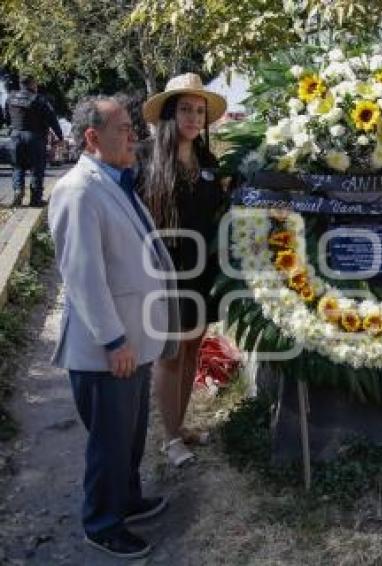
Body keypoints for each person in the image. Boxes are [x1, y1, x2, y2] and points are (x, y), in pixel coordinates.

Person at [47, 95, 179, 558]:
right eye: (124, 128)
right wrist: (113, 338)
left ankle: (126, 499)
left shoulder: (115, 182)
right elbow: (83, 275)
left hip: (132, 340)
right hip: (109, 348)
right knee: (110, 440)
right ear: (92, 137)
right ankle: (102, 523)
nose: (134, 137)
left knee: (132, 431)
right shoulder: (78, 190)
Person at [140, 73, 228, 467]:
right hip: (166, 270)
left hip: (202, 269)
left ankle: (181, 426)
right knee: (170, 354)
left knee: (193, 347)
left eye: (199, 111)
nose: (193, 118)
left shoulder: (208, 161)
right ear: (169, 114)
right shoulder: (147, 160)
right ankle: (169, 437)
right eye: (185, 110)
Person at [5, 75, 63, 207]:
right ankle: (35, 199)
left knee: (17, 166)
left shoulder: (10, 98)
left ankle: (18, 191)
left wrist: (13, 128)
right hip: (35, 138)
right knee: (37, 168)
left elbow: (6, 117)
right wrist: (60, 136)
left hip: (15, 136)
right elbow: (52, 119)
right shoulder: (39, 99)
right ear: (32, 84)